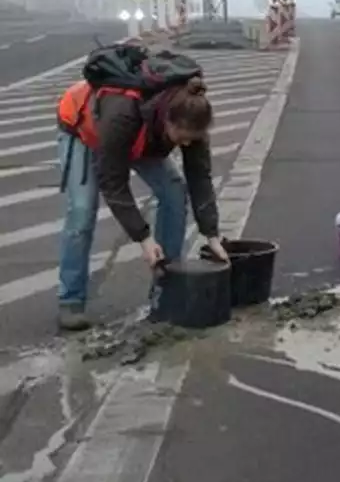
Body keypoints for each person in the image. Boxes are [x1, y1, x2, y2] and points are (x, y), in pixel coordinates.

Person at [54, 46, 227, 332]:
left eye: (190, 140)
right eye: (180, 138)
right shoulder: (123, 112)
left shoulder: (192, 117)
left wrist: (212, 234)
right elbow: (113, 182)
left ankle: (167, 286)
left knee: (174, 191)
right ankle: (71, 299)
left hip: (143, 139)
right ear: (167, 120)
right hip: (84, 130)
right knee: (82, 212)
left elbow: (200, 177)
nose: (184, 144)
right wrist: (144, 238)